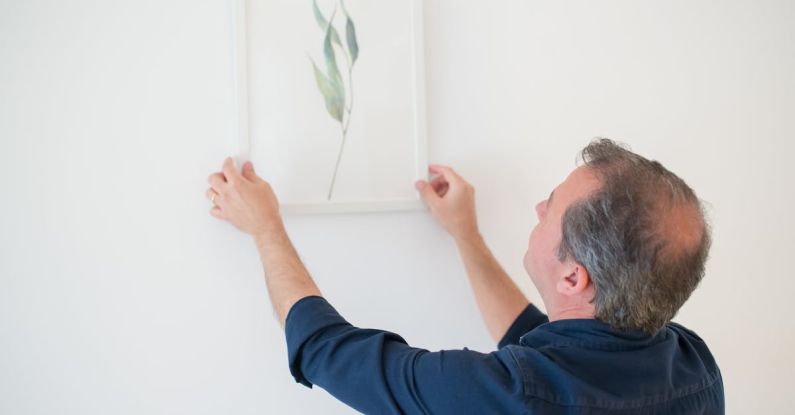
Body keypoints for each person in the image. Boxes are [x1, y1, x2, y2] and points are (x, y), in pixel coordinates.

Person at [205, 139, 724, 414]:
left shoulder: (510, 396)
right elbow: (550, 354)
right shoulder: (694, 367)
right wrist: (466, 235)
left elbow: (325, 352)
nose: (539, 207)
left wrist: (265, 227)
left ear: (573, 279)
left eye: (553, 206)